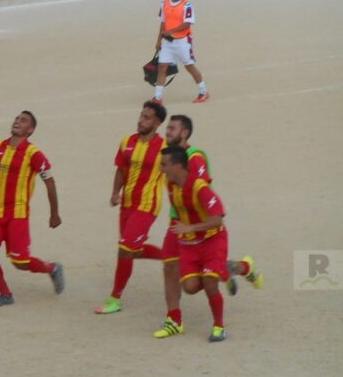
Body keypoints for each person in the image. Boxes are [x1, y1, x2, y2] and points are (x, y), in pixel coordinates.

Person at [154, 115, 262, 338]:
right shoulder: (168, 163)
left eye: (172, 129)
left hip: (197, 227)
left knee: (205, 278)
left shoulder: (195, 159)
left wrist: (192, 224)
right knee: (171, 268)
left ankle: (232, 271)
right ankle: (174, 319)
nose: (167, 132)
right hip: (179, 226)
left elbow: (204, 194)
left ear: (184, 133)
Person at [0, 111, 63, 307]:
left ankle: (52, 269)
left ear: (30, 130)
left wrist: (54, 213)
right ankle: (5, 294)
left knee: (21, 263)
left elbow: (49, 182)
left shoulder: (34, 154)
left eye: (23, 120)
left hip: (17, 215)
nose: (17, 121)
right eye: (17, 118)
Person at [95, 100, 167, 316]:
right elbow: (121, 170)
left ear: (157, 123)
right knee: (132, 251)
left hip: (147, 205)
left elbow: (175, 177)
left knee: (125, 249)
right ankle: (173, 256)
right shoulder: (128, 141)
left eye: (147, 117)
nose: (141, 120)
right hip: (127, 204)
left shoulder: (164, 148)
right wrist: (115, 192)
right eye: (141, 115)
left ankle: (114, 298)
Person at [160, 146, 230, 341]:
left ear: (178, 166)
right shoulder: (171, 185)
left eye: (164, 165)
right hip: (190, 245)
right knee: (190, 288)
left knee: (209, 283)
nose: (161, 169)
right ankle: (223, 270)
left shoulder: (200, 188)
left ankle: (219, 326)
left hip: (212, 240)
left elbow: (218, 219)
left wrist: (189, 229)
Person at [153, 0, 209, 104]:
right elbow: (163, 24)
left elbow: (187, 24)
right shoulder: (164, 4)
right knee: (162, 67)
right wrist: (158, 42)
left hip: (183, 41)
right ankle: (158, 97)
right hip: (167, 42)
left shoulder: (187, 5)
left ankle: (204, 92)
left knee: (189, 67)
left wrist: (170, 31)